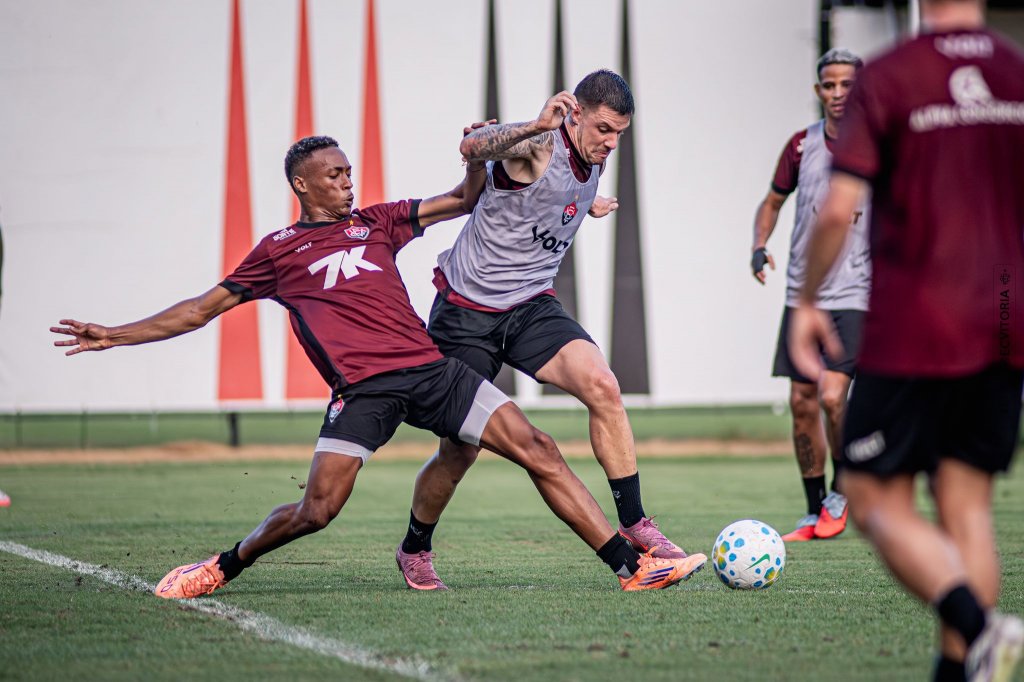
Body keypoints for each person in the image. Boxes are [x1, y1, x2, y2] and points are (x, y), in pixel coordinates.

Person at [51, 132, 703, 598]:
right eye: (334, 174)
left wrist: (480, 158)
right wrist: (115, 335)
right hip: (362, 392)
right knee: (318, 510)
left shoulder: (377, 222)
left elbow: (460, 198)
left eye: (349, 171)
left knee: (538, 447)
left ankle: (630, 566)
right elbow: (199, 310)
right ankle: (225, 565)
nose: (347, 181)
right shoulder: (277, 251)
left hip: (430, 370)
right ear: (301, 184)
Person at [395, 69, 702, 590]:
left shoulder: (591, 159)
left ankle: (636, 523)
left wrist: (588, 204)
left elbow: (551, 204)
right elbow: (472, 146)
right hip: (467, 313)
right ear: (574, 112)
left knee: (603, 385)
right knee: (460, 450)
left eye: (619, 133)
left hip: (529, 306)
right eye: (604, 129)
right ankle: (415, 547)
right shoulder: (539, 144)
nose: (610, 142)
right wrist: (532, 123)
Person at [790, 1, 1024, 679]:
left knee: (867, 495)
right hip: (1005, 320)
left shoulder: (891, 76)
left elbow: (837, 207)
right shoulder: (1014, 72)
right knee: (965, 506)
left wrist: (805, 300)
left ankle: (982, 631)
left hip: (917, 321)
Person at [750, 48, 869, 543]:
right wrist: (758, 245)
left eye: (847, 84)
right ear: (818, 90)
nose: (838, 94)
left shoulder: (881, 145)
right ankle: (815, 507)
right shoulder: (801, 146)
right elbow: (773, 202)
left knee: (833, 395)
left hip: (858, 292)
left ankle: (844, 493)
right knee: (802, 401)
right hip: (804, 293)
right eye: (829, 85)